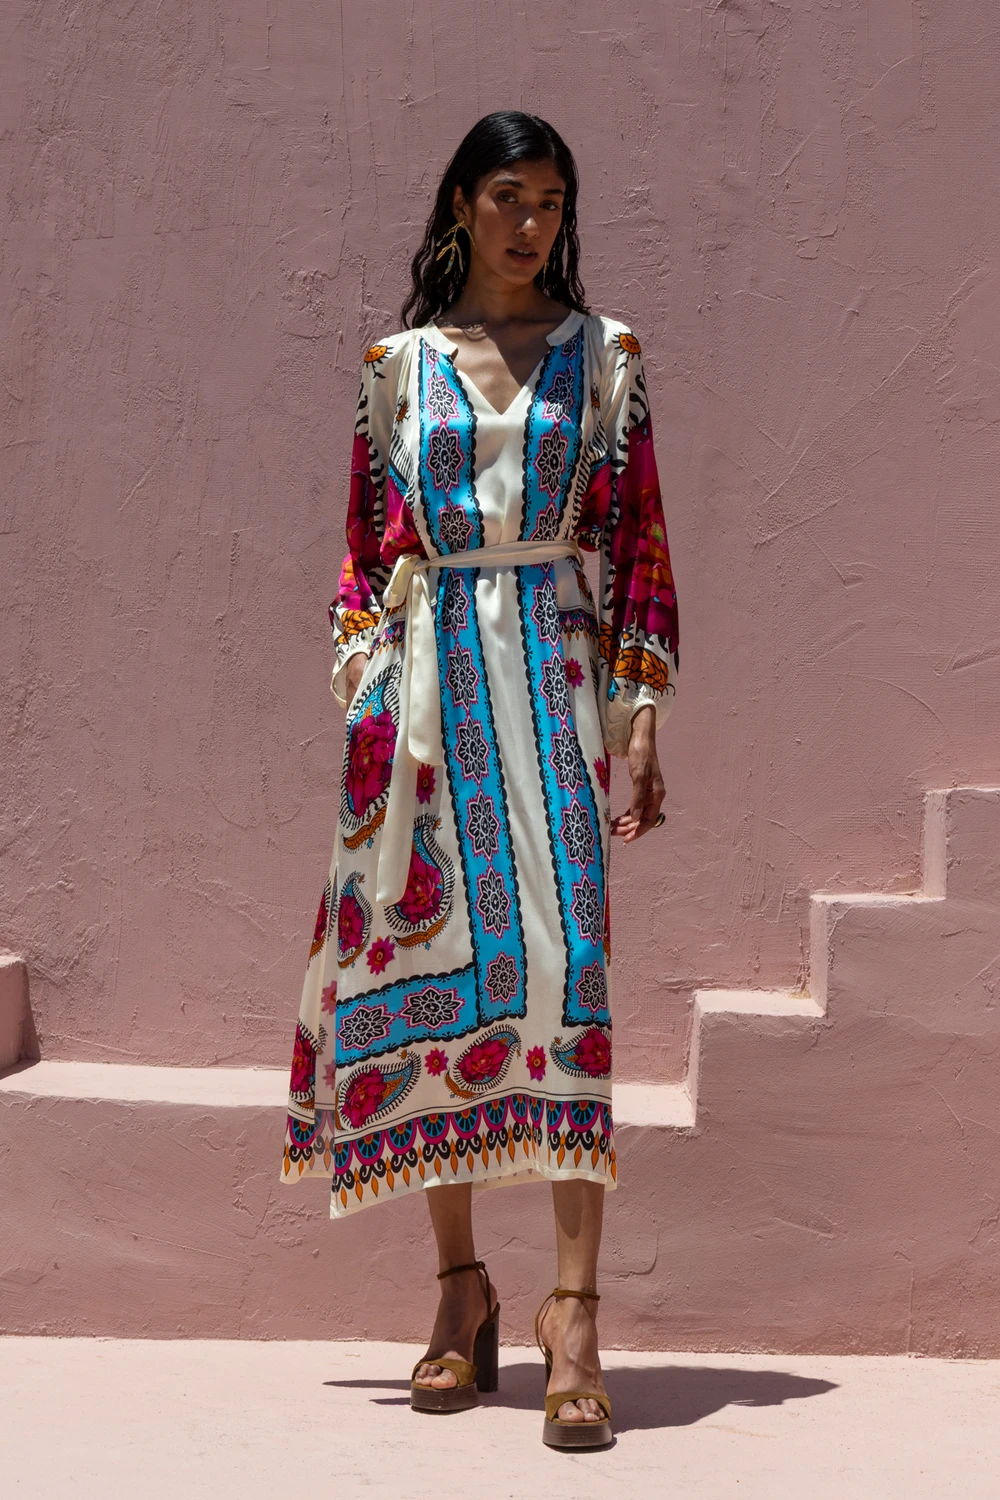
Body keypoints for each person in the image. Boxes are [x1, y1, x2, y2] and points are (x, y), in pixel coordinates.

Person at [279, 109, 679, 1450]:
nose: (531, 225)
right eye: (509, 197)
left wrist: (639, 712)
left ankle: (576, 1313)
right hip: (423, 697)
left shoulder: (605, 359)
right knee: (425, 967)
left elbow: (639, 542)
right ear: (461, 204)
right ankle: (461, 1292)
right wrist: (367, 695)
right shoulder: (395, 371)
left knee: (569, 978)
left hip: (552, 687)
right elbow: (361, 552)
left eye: (552, 202)